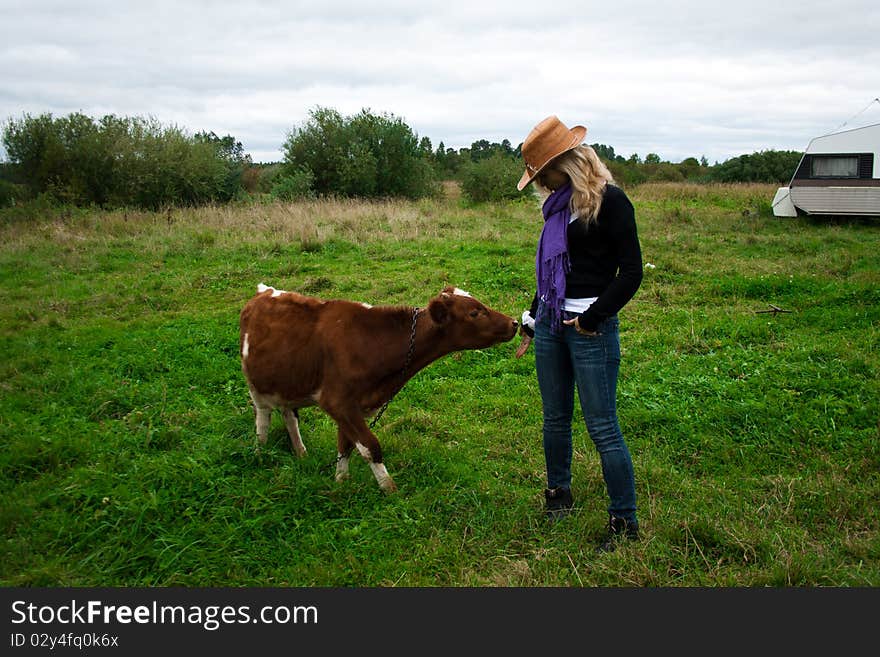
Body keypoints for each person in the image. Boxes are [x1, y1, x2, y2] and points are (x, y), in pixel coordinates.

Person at [514, 115, 643, 553]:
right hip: (552, 325)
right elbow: (552, 273)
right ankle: (559, 495)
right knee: (554, 419)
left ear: (563, 164)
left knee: (603, 426)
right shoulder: (557, 207)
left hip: (590, 331)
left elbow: (632, 272)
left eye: (542, 174)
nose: (541, 184)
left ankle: (624, 521)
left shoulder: (612, 202)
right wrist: (534, 316)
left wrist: (593, 318)